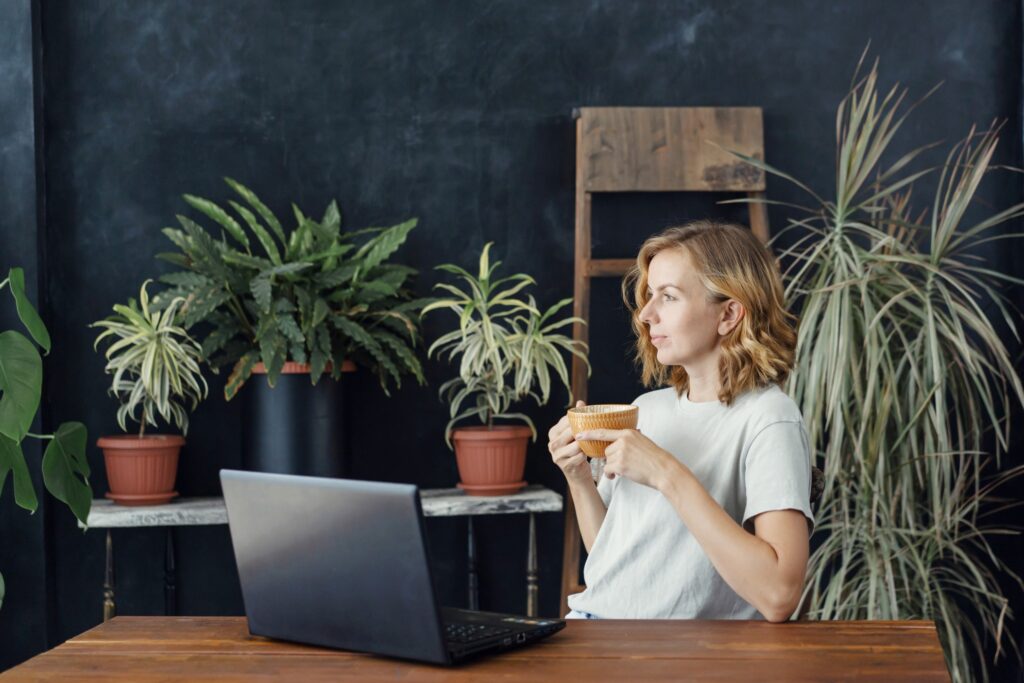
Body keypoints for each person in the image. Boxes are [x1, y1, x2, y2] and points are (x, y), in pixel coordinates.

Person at [548, 219, 814, 622]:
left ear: (728, 314)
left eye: (668, 297)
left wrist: (666, 474)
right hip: (595, 630)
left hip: (672, 652)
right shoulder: (647, 409)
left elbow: (780, 595)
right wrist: (578, 477)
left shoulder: (768, 418)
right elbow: (614, 558)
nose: (646, 315)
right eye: (649, 296)